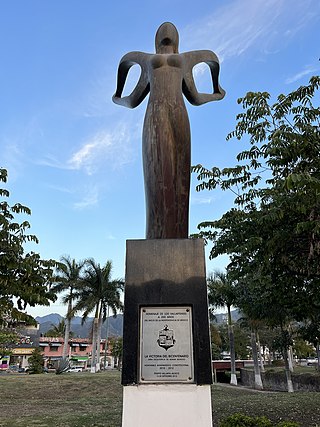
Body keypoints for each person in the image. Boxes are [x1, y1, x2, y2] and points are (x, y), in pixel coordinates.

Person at [113, 22, 225, 239]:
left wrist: (216, 93)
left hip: (179, 114)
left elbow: (193, 95)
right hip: (155, 116)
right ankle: (156, 235)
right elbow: (133, 99)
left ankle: (179, 235)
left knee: (180, 174)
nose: (167, 30)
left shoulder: (184, 60)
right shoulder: (147, 61)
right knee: (158, 174)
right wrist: (117, 97)